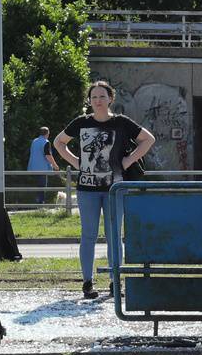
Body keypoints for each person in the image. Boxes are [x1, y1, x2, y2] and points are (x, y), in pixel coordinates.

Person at [53, 80, 155, 299]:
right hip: (86, 189)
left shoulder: (122, 123)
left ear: (110, 99)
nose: (97, 101)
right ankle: (87, 282)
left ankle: (114, 280)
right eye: (93, 97)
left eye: (102, 96)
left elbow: (148, 139)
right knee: (88, 235)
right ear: (89, 101)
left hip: (114, 188)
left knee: (114, 236)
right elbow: (59, 142)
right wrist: (76, 163)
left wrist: (127, 162)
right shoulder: (81, 122)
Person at [27, 126, 54, 204]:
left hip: (32, 167)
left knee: (37, 186)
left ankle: (36, 202)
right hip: (42, 168)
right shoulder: (46, 142)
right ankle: (40, 204)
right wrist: (54, 165)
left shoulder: (34, 141)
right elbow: (48, 155)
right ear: (47, 133)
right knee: (42, 186)